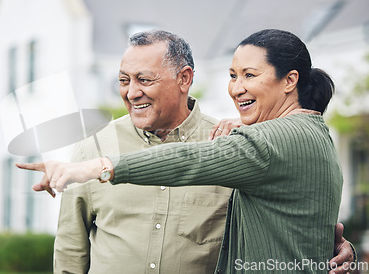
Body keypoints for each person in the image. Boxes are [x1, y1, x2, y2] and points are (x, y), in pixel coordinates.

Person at [18, 29, 357, 273]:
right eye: (124, 81)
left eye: (144, 80)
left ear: (184, 79)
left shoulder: (231, 142)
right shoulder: (92, 145)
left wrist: (331, 246)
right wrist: (326, 243)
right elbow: (70, 249)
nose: (132, 92)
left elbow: (191, 163)